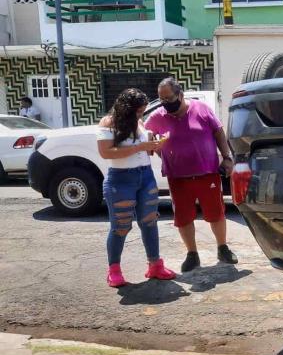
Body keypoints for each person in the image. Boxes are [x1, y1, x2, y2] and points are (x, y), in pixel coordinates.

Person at [145, 77, 238, 272]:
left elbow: (218, 132)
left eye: (169, 99)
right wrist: (150, 140)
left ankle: (223, 248)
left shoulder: (201, 109)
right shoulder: (158, 116)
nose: (165, 104)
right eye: (162, 100)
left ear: (180, 94)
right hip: (177, 177)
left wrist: (227, 158)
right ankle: (192, 254)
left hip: (207, 173)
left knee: (216, 213)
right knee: (183, 217)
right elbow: (143, 130)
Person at [97, 88, 177, 287]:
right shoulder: (108, 123)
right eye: (138, 110)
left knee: (149, 221)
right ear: (126, 108)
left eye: (142, 110)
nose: (141, 114)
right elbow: (106, 152)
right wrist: (139, 147)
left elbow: (142, 151)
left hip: (145, 176)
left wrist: (154, 146)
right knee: (121, 226)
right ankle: (114, 270)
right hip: (121, 179)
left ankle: (155, 265)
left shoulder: (139, 122)